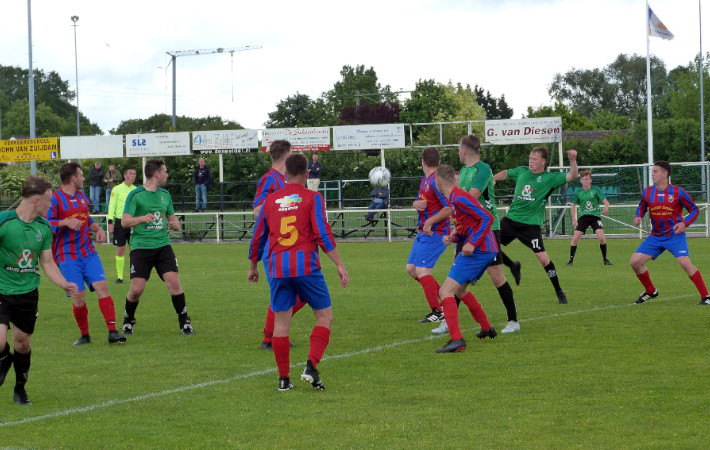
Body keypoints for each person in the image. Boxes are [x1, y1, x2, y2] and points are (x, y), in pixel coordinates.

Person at [248, 153, 349, 391]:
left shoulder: (271, 201)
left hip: (277, 267)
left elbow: (258, 236)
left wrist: (253, 265)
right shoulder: (312, 197)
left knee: (281, 324)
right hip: (305, 266)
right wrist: (338, 263)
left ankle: (283, 379)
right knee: (324, 317)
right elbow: (322, 233)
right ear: (307, 174)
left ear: (284, 174)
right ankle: (311, 367)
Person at [0, 176, 78, 405]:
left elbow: (47, 262)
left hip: (27, 293)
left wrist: (63, 283)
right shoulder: (4, 222)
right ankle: (4, 358)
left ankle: (20, 389)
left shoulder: (43, 228)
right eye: (48, 200)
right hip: (2, 291)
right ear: (36, 200)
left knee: (23, 343)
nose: (51, 205)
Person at [433, 135, 521, 336]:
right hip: (468, 228)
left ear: (464, 151)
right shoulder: (463, 171)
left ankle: (513, 320)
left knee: (497, 276)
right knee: (458, 278)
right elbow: (460, 202)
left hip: (487, 228)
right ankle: (451, 321)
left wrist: (453, 210)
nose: (458, 154)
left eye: (458, 150)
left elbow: (469, 198)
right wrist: (456, 230)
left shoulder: (483, 169)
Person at [47, 162, 127, 346]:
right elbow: (45, 224)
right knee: (79, 295)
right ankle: (85, 335)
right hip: (67, 255)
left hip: (88, 252)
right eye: (81, 175)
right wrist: (64, 223)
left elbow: (87, 219)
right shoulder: (55, 199)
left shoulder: (82, 196)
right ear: (73, 178)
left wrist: (97, 228)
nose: (84, 178)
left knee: (103, 287)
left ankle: (113, 332)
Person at [493, 147, 578, 304]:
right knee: (490, 245)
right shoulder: (522, 171)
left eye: (534, 159)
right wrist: (494, 178)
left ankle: (558, 290)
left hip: (530, 226)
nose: (530, 161)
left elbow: (573, 175)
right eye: (530, 158)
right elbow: (505, 173)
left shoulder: (550, 178)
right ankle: (512, 266)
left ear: (543, 161)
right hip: (510, 221)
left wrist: (572, 159)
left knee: (543, 259)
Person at [121, 159, 195, 335]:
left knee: (174, 283)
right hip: (141, 246)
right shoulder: (135, 195)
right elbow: (125, 221)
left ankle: (184, 322)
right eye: (165, 171)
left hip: (163, 246)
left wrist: (174, 224)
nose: (167, 175)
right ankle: (128, 320)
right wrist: (141, 218)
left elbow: (171, 217)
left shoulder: (165, 195)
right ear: (156, 174)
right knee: (137, 289)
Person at [433, 165, 498, 353]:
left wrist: (472, 243)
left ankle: (457, 340)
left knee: (445, 292)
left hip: (479, 250)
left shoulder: (459, 197)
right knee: (459, 290)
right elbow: (468, 225)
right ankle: (487, 328)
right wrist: (454, 237)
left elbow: (487, 218)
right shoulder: (455, 198)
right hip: (484, 250)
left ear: (439, 182)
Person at [630, 161, 710, 305]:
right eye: (652, 171)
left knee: (685, 263)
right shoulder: (648, 192)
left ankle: (706, 296)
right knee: (635, 263)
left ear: (665, 173)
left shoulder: (678, 192)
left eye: (655, 171)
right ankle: (651, 291)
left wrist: (684, 223)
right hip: (655, 236)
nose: (652, 174)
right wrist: (638, 216)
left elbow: (694, 209)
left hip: (674, 235)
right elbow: (642, 206)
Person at [253, 140, 307, 350]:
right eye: (292, 152)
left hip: (290, 246)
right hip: (273, 246)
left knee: (299, 293)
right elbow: (257, 209)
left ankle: (273, 335)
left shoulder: (286, 180)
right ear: (286, 155)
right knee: (290, 292)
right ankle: (271, 336)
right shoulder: (269, 179)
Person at [406, 147, 452, 323]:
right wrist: (415, 203)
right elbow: (421, 202)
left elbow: (449, 207)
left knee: (422, 270)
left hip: (436, 232)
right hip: (424, 233)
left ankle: (438, 311)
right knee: (411, 269)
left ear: (423, 162)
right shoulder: (425, 181)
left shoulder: (436, 182)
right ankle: (445, 298)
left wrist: (430, 221)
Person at [567, 170, 613, 266]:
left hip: (595, 217)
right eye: (584, 179)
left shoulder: (595, 190)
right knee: (575, 238)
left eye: (587, 179)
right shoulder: (578, 192)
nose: (586, 181)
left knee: (601, 237)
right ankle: (570, 260)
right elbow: (573, 205)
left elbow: (606, 202)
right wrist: (574, 219)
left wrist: (606, 208)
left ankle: (605, 259)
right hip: (583, 217)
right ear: (580, 181)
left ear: (591, 180)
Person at [107, 168, 138, 284]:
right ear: (125, 176)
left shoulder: (136, 190)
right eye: (130, 173)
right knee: (120, 249)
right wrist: (110, 222)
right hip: (120, 222)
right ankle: (119, 277)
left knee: (134, 249)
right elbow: (112, 206)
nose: (133, 176)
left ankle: (134, 274)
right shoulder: (117, 189)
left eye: (134, 174)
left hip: (133, 221)